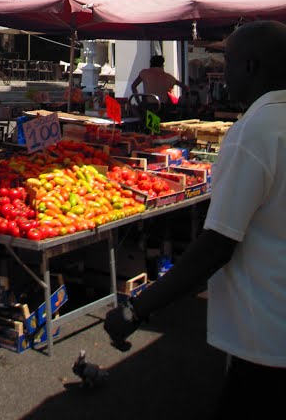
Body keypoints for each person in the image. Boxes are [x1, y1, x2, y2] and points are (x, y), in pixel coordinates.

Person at [105, 20, 286, 413]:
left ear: (251, 68)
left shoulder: (254, 132)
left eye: (229, 62)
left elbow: (217, 243)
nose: (223, 72)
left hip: (266, 331)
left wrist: (138, 308)